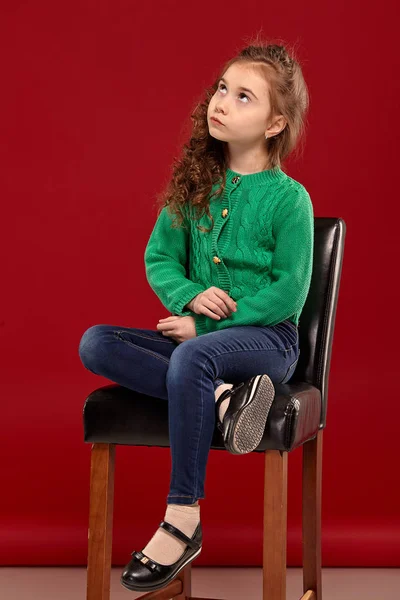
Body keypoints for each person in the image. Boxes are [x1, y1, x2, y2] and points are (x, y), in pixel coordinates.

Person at [78, 37, 314, 594]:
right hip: (200, 346)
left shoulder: (290, 200)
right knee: (95, 343)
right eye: (221, 89)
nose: (222, 102)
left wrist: (203, 327)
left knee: (192, 355)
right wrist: (187, 297)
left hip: (268, 342)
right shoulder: (195, 186)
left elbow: (288, 295)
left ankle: (182, 519)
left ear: (275, 123)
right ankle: (224, 401)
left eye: (243, 96)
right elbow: (159, 257)